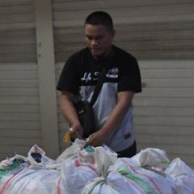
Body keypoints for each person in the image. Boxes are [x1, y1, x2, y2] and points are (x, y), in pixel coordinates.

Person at [57, 11, 141, 157]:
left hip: (119, 144)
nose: (93, 43)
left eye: (99, 38)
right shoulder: (75, 61)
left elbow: (124, 102)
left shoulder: (127, 62)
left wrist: (104, 133)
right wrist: (75, 123)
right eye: (89, 38)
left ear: (112, 34)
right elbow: (66, 98)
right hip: (86, 143)